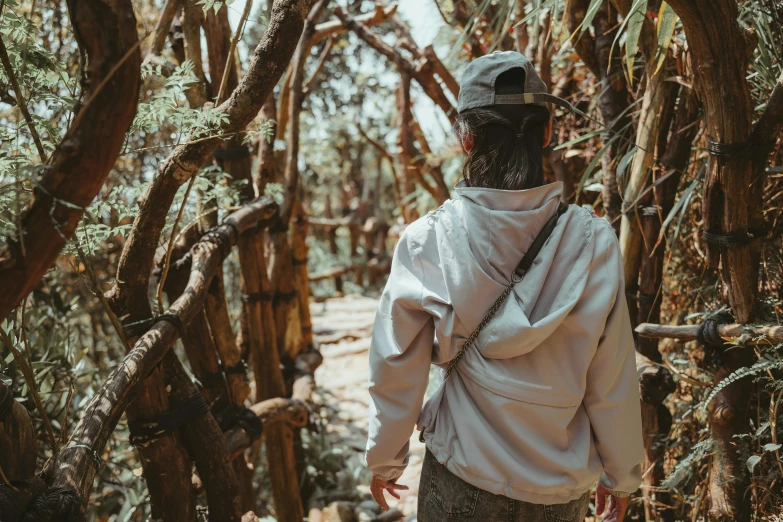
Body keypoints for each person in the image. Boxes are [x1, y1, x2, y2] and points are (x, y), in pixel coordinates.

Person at [364, 51, 644, 522]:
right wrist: (622, 474)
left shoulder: (429, 240)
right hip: (561, 489)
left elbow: (396, 364)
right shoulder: (593, 241)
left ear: (466, 138)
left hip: (464, 475)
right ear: (548, 132)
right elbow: (611, 373)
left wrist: (384, 458)